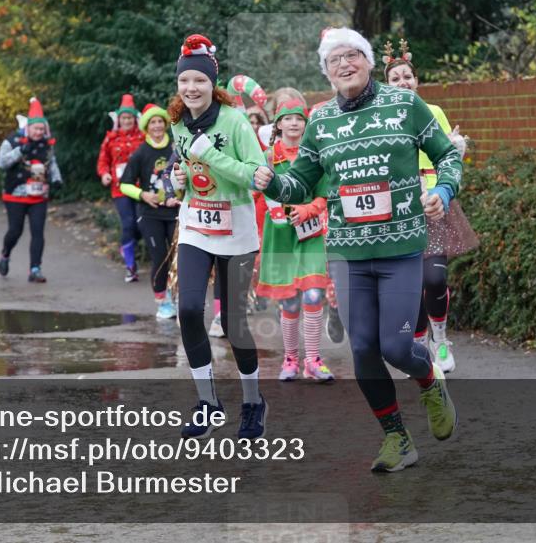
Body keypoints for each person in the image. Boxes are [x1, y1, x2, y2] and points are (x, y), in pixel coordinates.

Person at [254, 27, 463, 472]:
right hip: (347, 254)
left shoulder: (404, 104)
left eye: (352, 56)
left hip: (401, 248)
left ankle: (429, 378)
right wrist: (272, 181)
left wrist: (443, 192)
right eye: (334, 61)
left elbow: (448, 155)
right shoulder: (321, 120)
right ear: (326, 73)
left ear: (368, 61)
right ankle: (397, 439)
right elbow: (299, 183)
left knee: (395, 346)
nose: (344, 65)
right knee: (363, 349)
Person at [169, 34, 267, 439]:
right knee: (189, 310)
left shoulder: (235, 121)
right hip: (195, 226)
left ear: (214, 84)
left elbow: (258, 175)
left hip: (237, 232)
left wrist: (210, 155)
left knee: (234, 323)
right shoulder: (175, 121)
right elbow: (186, 179)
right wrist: (176, 181)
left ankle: (252, 401)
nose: (191, 89)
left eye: (200, 81)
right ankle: (207, 403)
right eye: (185, 81)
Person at [383, 39, 478, 373]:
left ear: (417, 81)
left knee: (434, 279)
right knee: (411, 283)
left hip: (432, 202)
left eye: (407, 76)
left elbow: (445, 155)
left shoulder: (432, 111)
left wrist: (455, 151)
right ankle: (419, 340)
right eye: (395, 79)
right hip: (398, 209)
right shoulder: (382, 119)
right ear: (387, 85)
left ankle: (440, 339)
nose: (403, 82)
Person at [254, 92, 334, 382]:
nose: (293, 124)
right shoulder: (266, 158)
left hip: (310, 232)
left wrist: (308, 209)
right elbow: (257, 197)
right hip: (279, 237)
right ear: (278, 124)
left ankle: (313, 359)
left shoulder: (315, 156)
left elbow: (325, 195)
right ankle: (290, 359)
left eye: (299, 119)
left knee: (313, 294)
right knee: (289, 302)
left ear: (306, 124)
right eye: (287, 119)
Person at [119, 103, 181, 319]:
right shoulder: (140, 153)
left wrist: (180, 194)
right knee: (159, 257)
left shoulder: (175, 148)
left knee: (178, 257)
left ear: (165, 124)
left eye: (160, 122)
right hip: (150, 213)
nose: (157, 126)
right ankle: (162, 302)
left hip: (174, 211)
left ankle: (178, 298)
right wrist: (143, 195)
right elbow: (124, 184)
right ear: (146, 126)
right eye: (152, 122)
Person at [0, 97, 63, 283]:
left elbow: (53, 163)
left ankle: (35, 269)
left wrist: (57, 180)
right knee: (15, 231)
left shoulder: (47, 144)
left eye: (42, 129)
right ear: (28, 127)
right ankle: (5, 253)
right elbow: (1, 163)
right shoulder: (12, 141)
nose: (39, 132)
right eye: (36, 128)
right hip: (15, 195)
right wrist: (20, 151)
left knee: (38, 232)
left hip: (39, 195)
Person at [97, 94, 145, 282]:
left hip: (140, 187)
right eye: (124, 118)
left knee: (141, 225)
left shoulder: (143, 137)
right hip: (120, 189)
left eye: (130, 118)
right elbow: (103, 161)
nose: (127, 121)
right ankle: (130, 267)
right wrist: (104, 174)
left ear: (135, 119)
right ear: (119, 120)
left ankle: (127, 247)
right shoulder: (110, 139)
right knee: (127, 224)